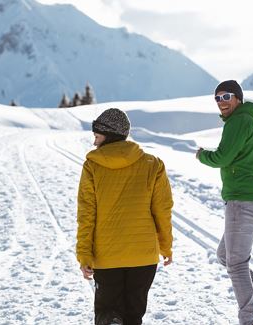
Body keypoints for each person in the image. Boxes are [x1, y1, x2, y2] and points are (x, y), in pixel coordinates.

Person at [76, 108, 173, 325]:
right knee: (133, 316)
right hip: (143, 258)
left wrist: (84, 254)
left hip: (107, 257)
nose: (94, 143)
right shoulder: (153, 164)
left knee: (107, 312)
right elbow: (163, 211)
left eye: (97, 137)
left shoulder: (92, 166)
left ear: (108, 135)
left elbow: (86, 214)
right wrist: (165, 247)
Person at [196, 80, 253, 325]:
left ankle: (247, 321)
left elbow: (222, 157)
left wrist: (202, 155)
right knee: (225, 255)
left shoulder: (238, 122)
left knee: (236, 264)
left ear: (238, 98)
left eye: (226, 96)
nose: (222, 102)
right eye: (217, 98)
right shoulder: (249, 124)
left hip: (243, 199)